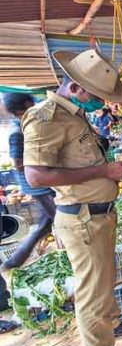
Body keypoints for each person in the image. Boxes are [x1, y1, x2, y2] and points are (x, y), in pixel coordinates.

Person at [21, 49, 122, 346]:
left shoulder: (75, 115)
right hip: (83, 219)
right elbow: (36, 176)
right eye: (97, 95)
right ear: (76, 86)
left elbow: (78, 163)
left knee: (103, 286)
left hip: (98, 217)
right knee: (93, 294)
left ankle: (109, 326)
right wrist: (103, 170)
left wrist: (107, 171)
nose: (101, 103)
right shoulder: (46, 117)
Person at [0, 93, 57, 271]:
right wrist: (43, 163)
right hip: (39, 186)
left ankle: (13, 262)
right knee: (62, 220)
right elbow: (18, 164)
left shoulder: (26, 126)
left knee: (45, 224)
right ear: (26, 105)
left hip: (40, 184)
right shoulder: (18, 132)